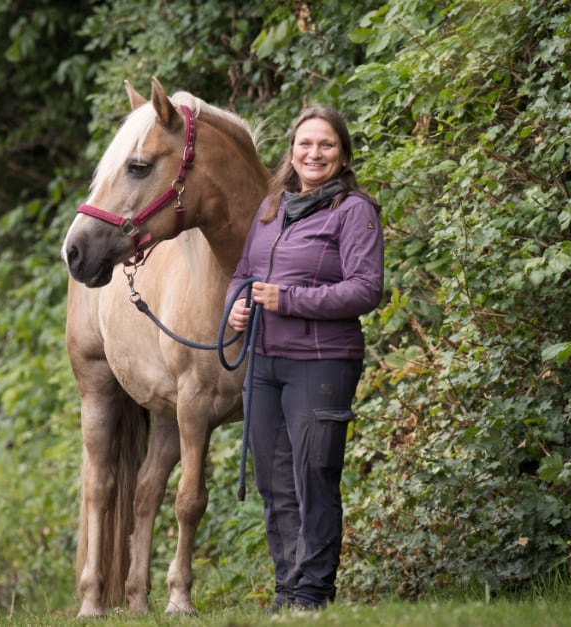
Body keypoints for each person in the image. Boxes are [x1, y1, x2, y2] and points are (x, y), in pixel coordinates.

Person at [226, 106, 384, 611]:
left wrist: (287, 300)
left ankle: (313, 594)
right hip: (265, 365)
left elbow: (365, 289)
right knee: (275, 486)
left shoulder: (354, 210)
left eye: (326, 145)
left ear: (342, 154)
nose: (314, 153)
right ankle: (287, 589)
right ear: (291, 151)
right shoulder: (272, 206)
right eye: (305, 144)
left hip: (322, 363)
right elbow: (242, 273)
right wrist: (235, 308)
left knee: (313, 478)